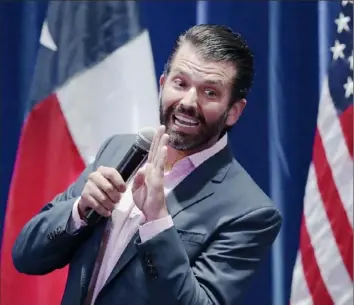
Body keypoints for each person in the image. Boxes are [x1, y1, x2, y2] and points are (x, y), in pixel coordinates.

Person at [12, 24, 282, 305]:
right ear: (163, 84)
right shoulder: (116, 149)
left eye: (210, 93)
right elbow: (26, 256)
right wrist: (79, 210)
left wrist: (158, 221)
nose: (189, 102)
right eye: (181, 83)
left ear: (234, 112)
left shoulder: (251, 212)